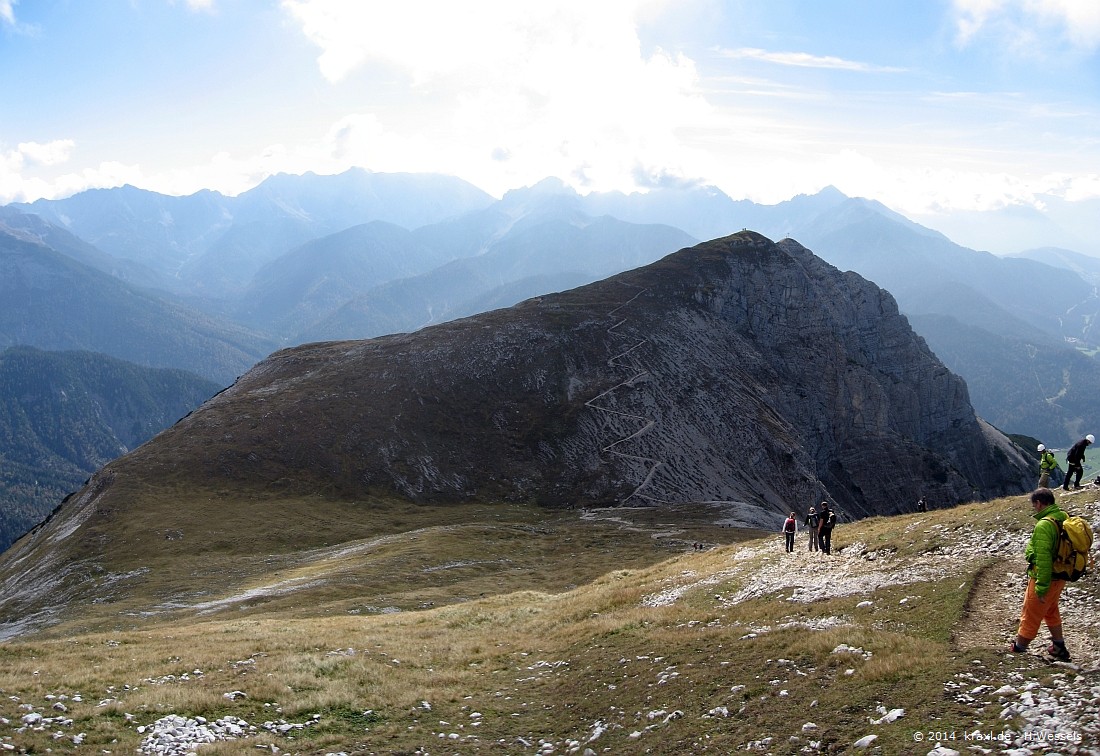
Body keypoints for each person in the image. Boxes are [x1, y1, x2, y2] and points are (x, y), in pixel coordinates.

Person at [1008, 488, 1071, 660]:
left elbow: (1043, 559)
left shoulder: (1044, 525)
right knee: (1051, 610)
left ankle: (1020, 648)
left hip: (1046, 578)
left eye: (1034, 505)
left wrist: (1041, 587)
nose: (1034, 508)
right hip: (1060, 576)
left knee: (1031, 612)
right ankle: (1059, 646)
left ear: (1039, 503)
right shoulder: (1063, 517)